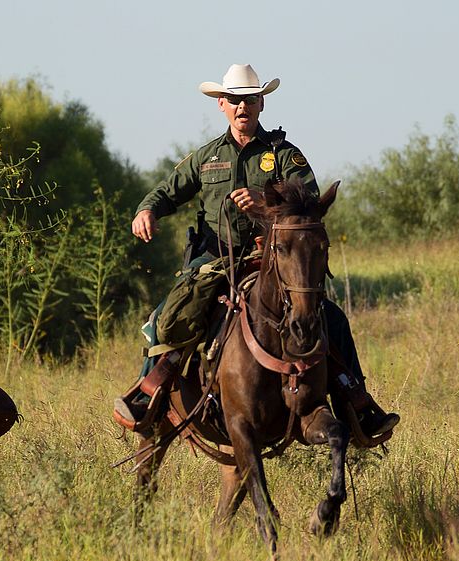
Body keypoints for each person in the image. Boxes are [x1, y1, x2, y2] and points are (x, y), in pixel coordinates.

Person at [113, 64, 399, 444]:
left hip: (274, 259)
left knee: (331, 318)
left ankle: (358, 403)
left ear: (261, 103)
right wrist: (146, 210)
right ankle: (148, 393)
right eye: (234, 100)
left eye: (249, 99)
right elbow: (167, 191)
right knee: (168, 313)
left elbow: (310, 207)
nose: (242, 107)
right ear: (222, 105)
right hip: (213, 259)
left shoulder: (284, 155)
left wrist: (263, 207)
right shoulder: (206, 156)